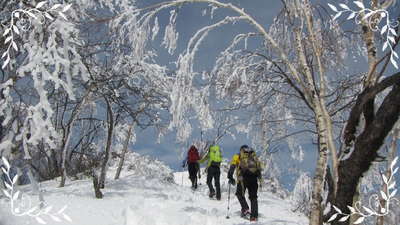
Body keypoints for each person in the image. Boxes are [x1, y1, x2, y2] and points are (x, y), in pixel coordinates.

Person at [227, 145, 262, 222]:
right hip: (254, 178)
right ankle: (254, 217)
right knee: (253, 197)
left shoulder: (238, 155)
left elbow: (232, 165)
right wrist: (260, 179)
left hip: (243, 177)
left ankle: (245, 208)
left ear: (241, 150)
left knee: (239, 194)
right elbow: (259, 167)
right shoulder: (253, 156)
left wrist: (230, 176)